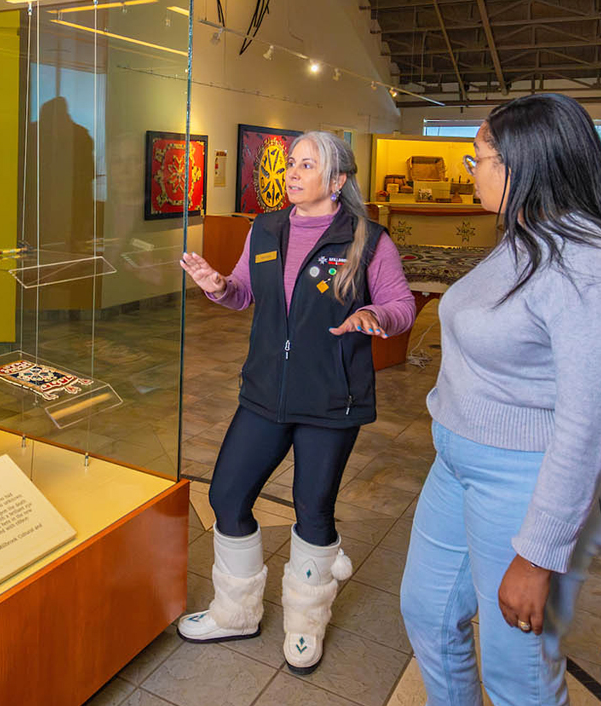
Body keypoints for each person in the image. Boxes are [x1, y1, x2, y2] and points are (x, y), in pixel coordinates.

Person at [177, 131, 416, 674]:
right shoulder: (266, 227)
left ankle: (306, 624)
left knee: (313, 509)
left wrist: (376, 317)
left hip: (333, 399)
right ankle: (236, 612)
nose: (292, 173)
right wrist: (217, 284)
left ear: (337, 181)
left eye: (306, 165)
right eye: (290, 164)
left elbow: (401, 303)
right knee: (227, 495)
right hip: (264, 392)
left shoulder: (368, 239)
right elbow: (242, 292)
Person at [400, 93, 601, 704]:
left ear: (525, 162)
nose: (471, 169)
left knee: (517, 672)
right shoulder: (523, 236)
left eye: (479, 156)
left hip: (521, 479)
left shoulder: (584, 264)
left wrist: (538, 556)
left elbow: (586, 425)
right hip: (455, 465)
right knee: (428, 616)